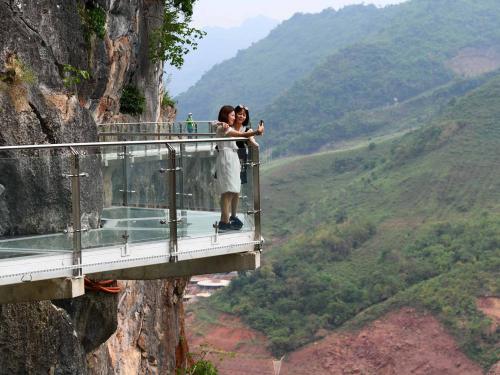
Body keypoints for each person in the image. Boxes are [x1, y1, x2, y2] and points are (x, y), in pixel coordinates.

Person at [215, 105, 264, 231]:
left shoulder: (226, 126)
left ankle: (225, 220)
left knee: (232, 190)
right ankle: (224, 221)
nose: (235, 117)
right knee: (227, 191)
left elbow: (243, 136)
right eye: (232, 115)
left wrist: (254, 135)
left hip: (232, 158)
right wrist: (256, 132)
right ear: (226, 116)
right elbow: (241, 134)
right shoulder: (223, 127)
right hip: (227, 159)